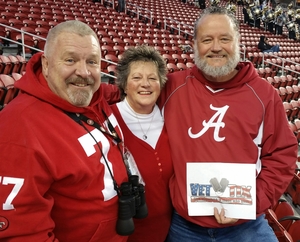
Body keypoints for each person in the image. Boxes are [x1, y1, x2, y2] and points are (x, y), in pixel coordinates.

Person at [157, 6, 298, 242]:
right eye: (207, 39)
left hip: (246, 227)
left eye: (225, 39)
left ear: (238, 43)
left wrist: (254, 201)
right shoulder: (171, 87)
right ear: (194, 44)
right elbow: (127, 99)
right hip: (185, 227)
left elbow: (283, 156)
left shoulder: (264, 94)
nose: (216, 47)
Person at [0, 20, 131, 241]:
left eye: (92, 62)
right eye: (70, 60)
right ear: (47, 64)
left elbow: (117, 90)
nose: (83, 72)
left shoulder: (94, 96)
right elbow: (22, 233)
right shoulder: (18, 128)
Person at [110, 45, 174, 242]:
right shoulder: (107, 119)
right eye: (136, 78)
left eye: (152, 78)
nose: (145, 84)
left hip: (171, 229)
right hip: (125, 232)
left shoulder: (171, 118)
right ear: (124, 83)